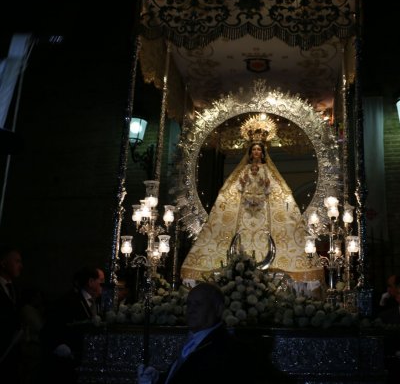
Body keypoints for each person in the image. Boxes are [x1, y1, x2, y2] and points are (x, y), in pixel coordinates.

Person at [181, 115, 323, 285]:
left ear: (263, 153)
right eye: (254, 149)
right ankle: (238, 259)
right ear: (249, 152)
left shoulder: (267, 171)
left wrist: (267, 185)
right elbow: (233, 191)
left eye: (259, 150)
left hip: (264, 211)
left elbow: (276, 191)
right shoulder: (243, 171)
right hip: (244, 212)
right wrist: (240, 186)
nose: (256, 152)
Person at [138, 281, 292, 384]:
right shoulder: (195, 341)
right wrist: (158, 379)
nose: (191, 310)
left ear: (218, 309)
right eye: (189, 304)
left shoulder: (230, 349)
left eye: (198, 304)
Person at [41, 266, 105, 383]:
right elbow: (52, 327)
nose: (104, 286)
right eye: (101, 282)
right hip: (67, 362)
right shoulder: (69, 301)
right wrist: (59, 346)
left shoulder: (99, 302)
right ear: (91, 282)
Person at [0, 245, 24, 384]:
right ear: (3, 263)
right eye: (17, 261)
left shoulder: (15, 288)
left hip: (13, 353)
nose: (21, 266)